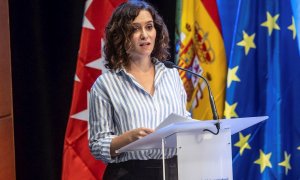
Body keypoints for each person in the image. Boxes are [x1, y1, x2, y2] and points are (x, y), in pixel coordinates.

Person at [88, 1, 190, 179]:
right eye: (135, 29)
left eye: (149, 27)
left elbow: (183, 119)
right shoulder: (106, 84)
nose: (144, 35)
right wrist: (128, 138)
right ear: (120, 36)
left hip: (173, 170)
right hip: (130, 173)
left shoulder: (172, 75)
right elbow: (97, 145)